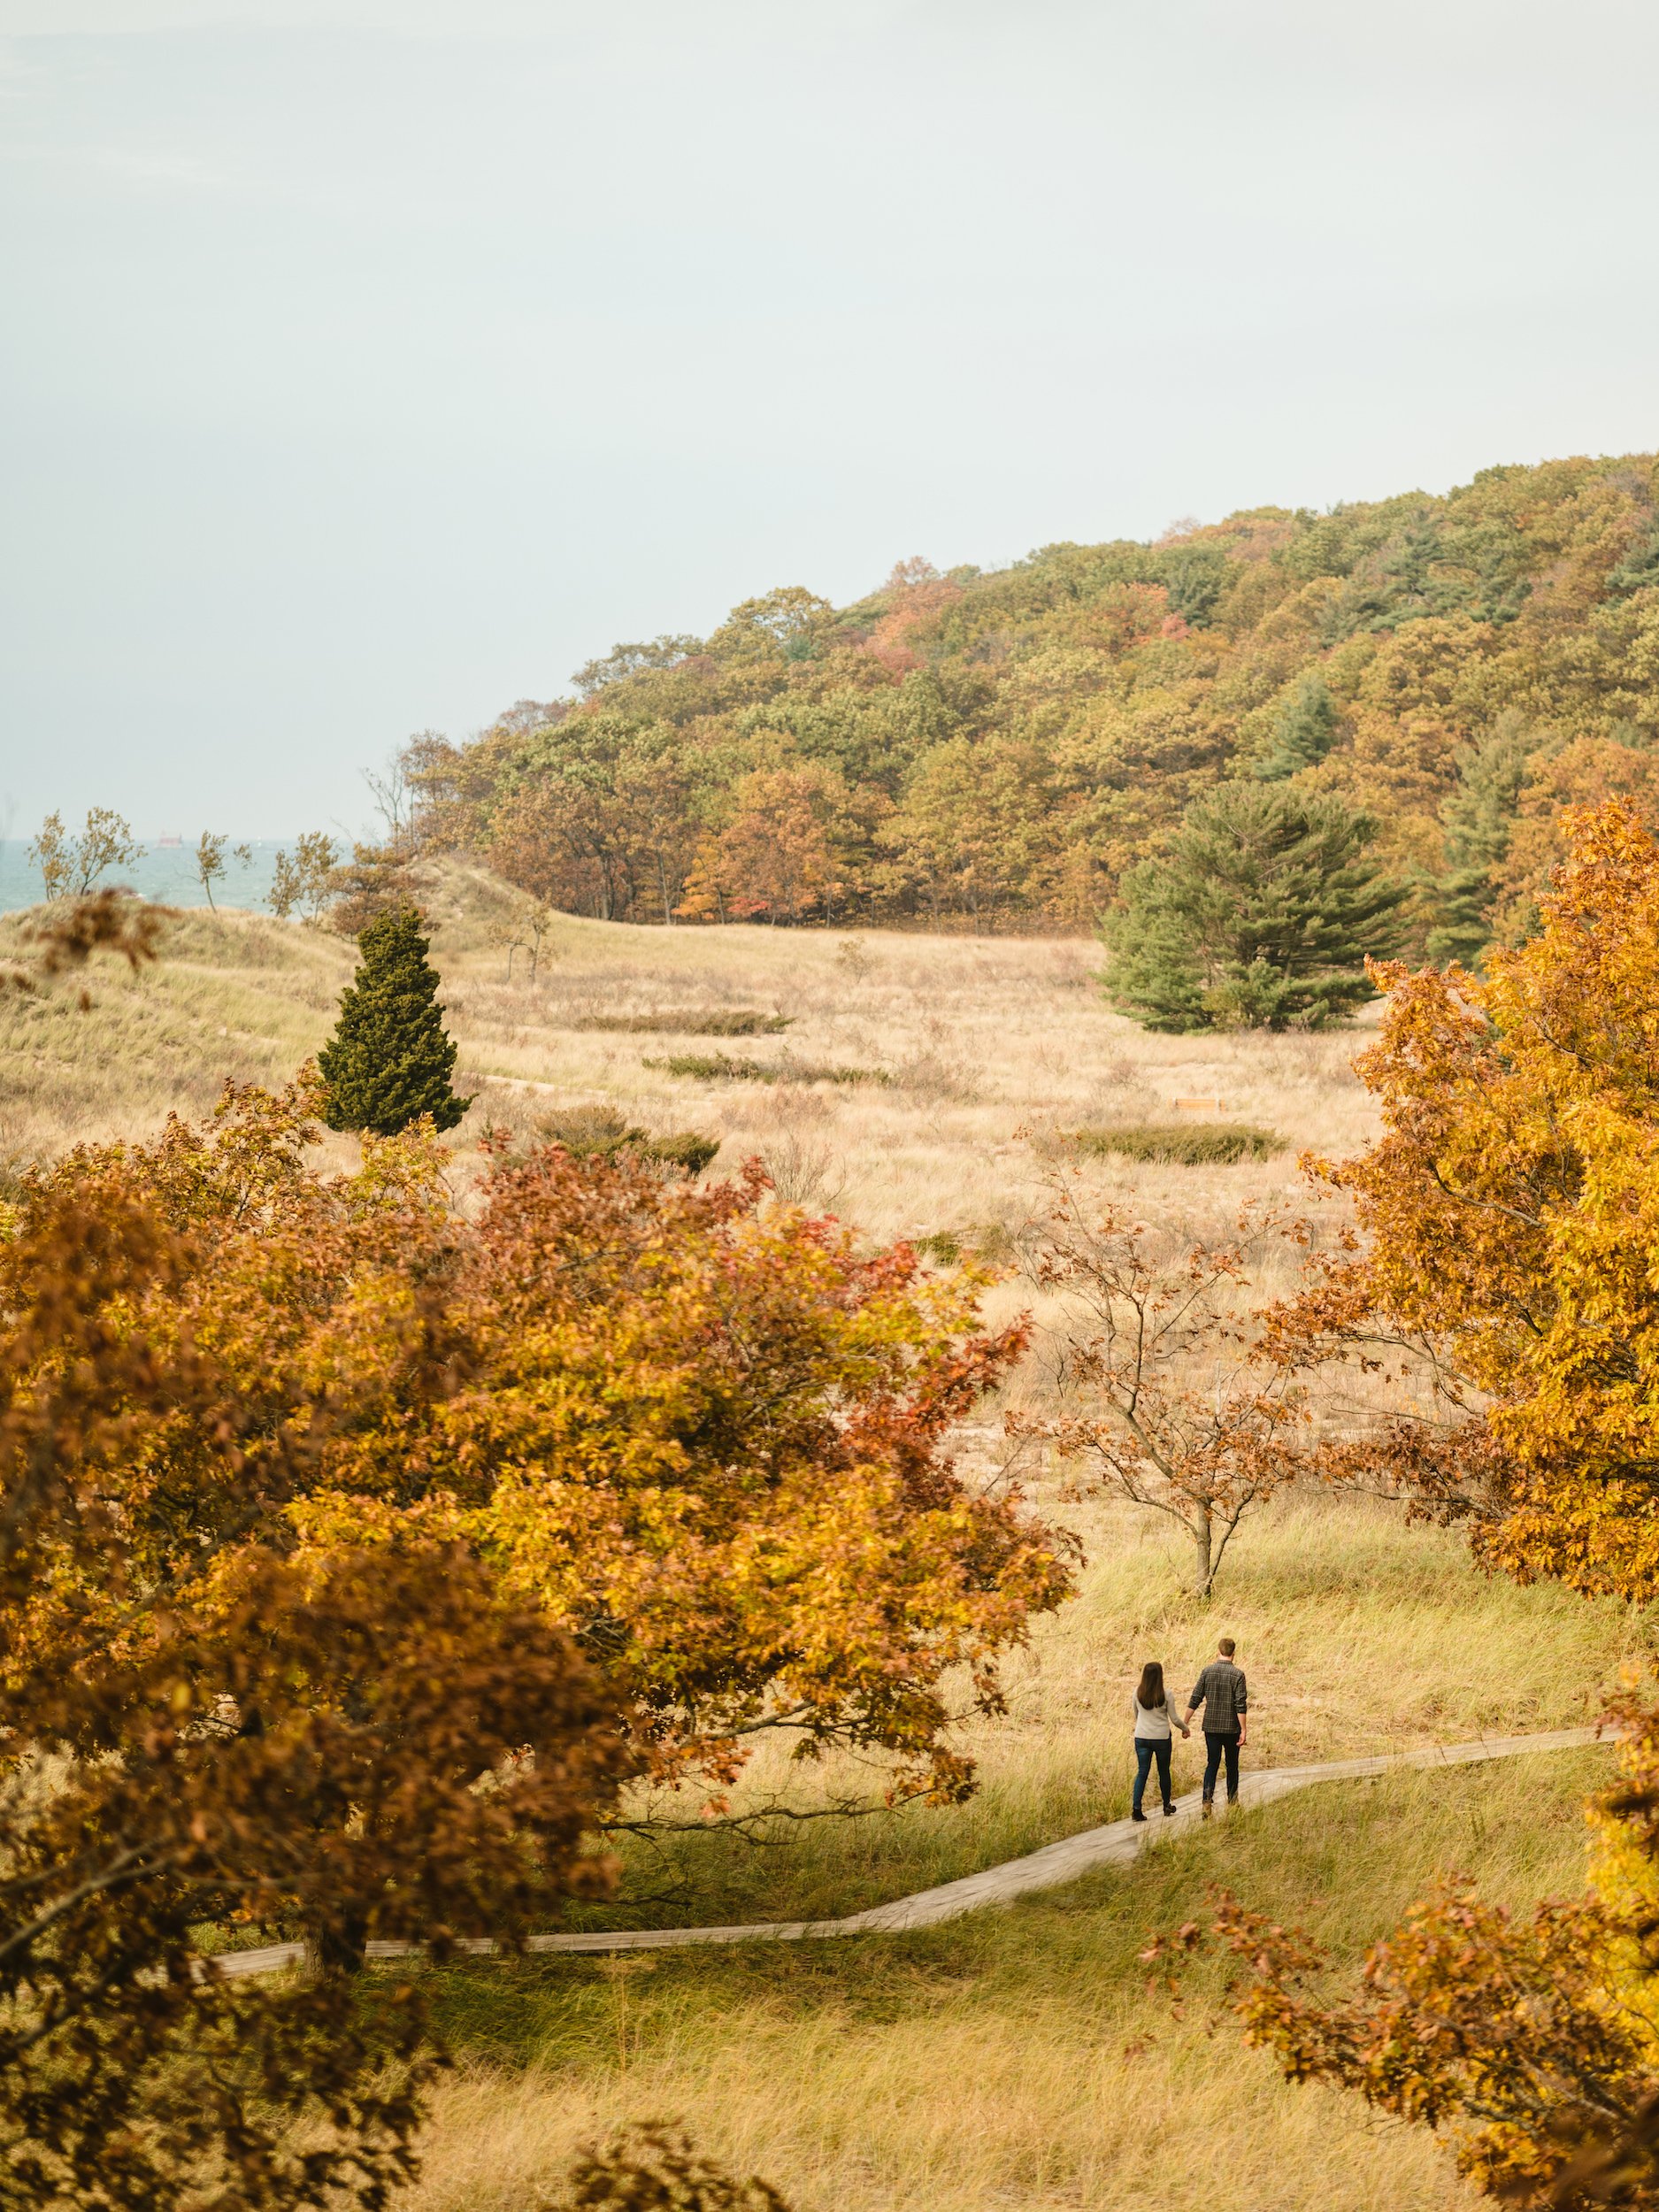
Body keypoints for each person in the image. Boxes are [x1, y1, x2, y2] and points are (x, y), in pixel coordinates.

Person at [1185, 1636, 1248, 1816]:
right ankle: (1233, 1801)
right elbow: (1240, 1704)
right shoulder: (1238, 1675)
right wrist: (1243, 1729)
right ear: (1233, 1654)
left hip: (1211, 1727)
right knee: (1232, 1765)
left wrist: (1185, 1723)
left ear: (1218, 1652)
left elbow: (1195, 1698)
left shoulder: (1207, 1672)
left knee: (1212, 1763)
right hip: (1231, 1728)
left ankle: (1206, 1801)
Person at [1130, 1660, 1190, 1822]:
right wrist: (1185, 1729)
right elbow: (1175, 1719)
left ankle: (1136, 1809)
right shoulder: (1166, 1694)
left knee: (1142, 1772)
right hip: (1161, 1738)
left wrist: (1144, 1726)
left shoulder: (1137, 1692)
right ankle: (1166, 1805)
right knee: (1164, 1771)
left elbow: (1136, 1715)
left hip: (1141, 1737)